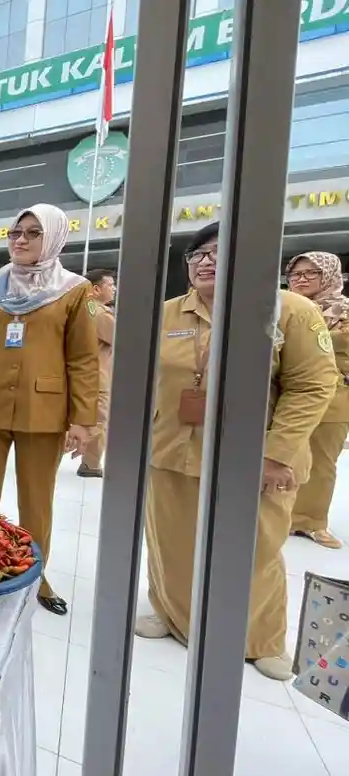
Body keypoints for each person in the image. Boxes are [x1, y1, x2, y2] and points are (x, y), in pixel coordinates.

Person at [135, 223, 338, 681]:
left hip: (255, 460)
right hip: (172, 449)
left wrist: (279, 453)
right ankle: (173, 616)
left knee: (256, 550)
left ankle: (260, 639)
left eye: (217, 252)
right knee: (170, 541)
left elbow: (312, 385)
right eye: (196, 255)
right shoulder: (167, 313)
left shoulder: (289, 310)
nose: (205, 261)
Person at [0, 204, 100, 616]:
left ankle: (35, 574)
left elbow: (84, 359)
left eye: (33, 233)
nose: (20, 239)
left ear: (52, 238)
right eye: (16, 231)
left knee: (37, 500)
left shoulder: (74, 290)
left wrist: (83, 419)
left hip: (45, 412)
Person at [285, 251, 348, 549]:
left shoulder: (344, 310)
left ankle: (311, 521)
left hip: (333, 398)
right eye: (296, 273)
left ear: (330, 276)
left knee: (321, 462)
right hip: (282, 396)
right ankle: (280, 514)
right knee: (281, 456)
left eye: (312, 273)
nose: (302, 279)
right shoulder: (279, 307)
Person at [79, 269, 118, 478]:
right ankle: (90, 464)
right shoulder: (101, 313)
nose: (114, 289)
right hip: (98, 375)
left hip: (83, 374)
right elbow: (121, 341)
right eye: (110, 285)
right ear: (96, 288)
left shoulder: (81, 309)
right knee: (98, 421)